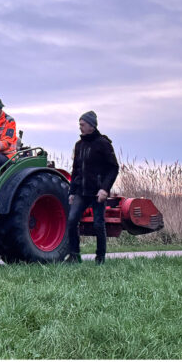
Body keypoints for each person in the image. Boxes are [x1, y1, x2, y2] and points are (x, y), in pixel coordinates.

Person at [64, 111, 119, 265]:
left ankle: (100, 258)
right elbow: (75, 170)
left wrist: (104, 189)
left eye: (82, 125)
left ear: (91, 126)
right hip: (81, 191)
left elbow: (113, 168)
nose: (80, 127)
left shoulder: (103, 144)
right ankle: (74, 255)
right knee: (72, 220)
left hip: (97, 192)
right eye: (79, 125)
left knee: (98, 224)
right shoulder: (79, 145)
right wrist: (72, 191)